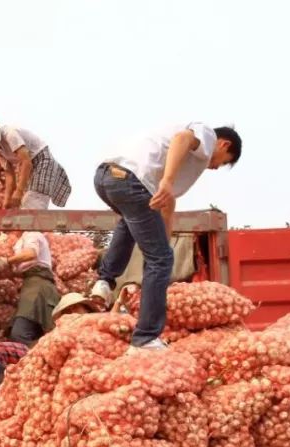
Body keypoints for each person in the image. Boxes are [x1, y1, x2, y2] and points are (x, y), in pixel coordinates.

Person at [89, 123, 242, 352]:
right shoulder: (207, 136)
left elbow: (167, 206)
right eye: (223, 162)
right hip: (131, 182)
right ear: (224, 144)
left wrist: (164, 243)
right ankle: (145, 338)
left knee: (133, 224)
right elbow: (182, 139)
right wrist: (168, 181)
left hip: (106, 177)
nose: (215, 167)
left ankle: (104, 281)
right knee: (159, 260)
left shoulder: (180, 163)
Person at [0, 110, 71, 210]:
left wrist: (18, 192)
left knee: (33, 201)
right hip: (29, 167)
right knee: (23, 202)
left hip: (42, 161)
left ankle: (38, 224)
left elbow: (26, 162)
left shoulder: (9, 134)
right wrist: (6, 201)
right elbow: (9, 174)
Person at [0, 231, 61, 345]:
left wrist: (7, 261)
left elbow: (31, 254)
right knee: (36, 332)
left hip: (38, 285)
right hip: (31, 284)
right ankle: (41, 354)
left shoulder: (31, 234)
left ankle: (41, 354)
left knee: (19, 335)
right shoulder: (19, 241)